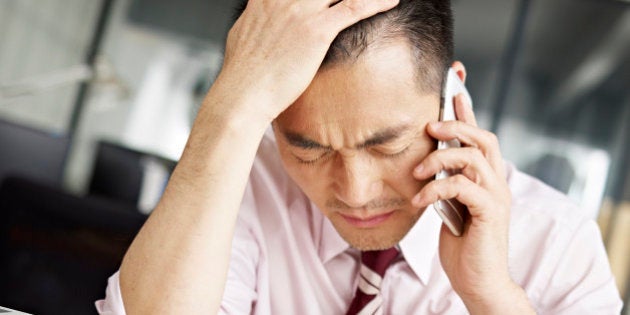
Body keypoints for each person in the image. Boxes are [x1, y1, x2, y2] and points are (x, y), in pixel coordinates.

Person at [96, 0, 623, 313]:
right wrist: (231, 106)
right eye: (308, 149)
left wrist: (491, 295)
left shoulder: (559, 243)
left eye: (386, 145)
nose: (354, 192)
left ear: (451, 97)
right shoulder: (244, 181)